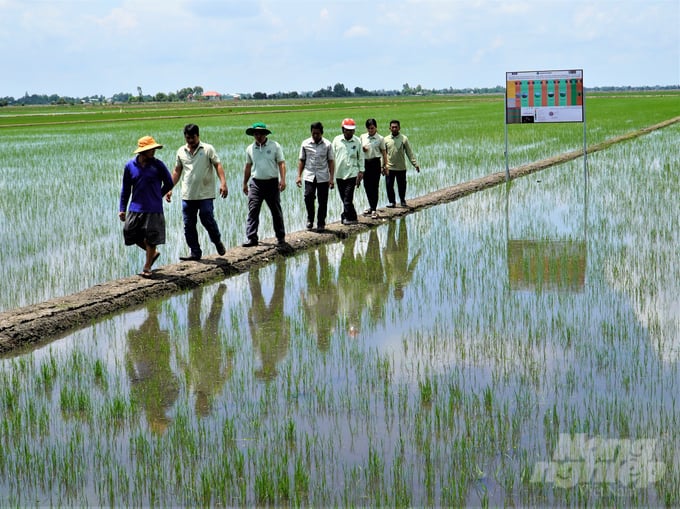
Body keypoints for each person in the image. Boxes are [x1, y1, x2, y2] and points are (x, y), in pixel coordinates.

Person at [170, 124, 228, 261]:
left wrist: (223, 183)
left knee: (207, 217)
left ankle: (217, 241)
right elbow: (177, 171)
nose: (190, 140)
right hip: (188, 195)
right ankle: (195, 252)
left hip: (205, 194)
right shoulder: (181, 151)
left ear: (198, 136)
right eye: (188, 138)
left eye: (193, 137)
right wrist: (169, 187)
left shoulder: (207, 149)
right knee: (188, 224)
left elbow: (217, 165)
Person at [118, 135, 174, 277]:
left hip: (153, 208)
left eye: (154, 149)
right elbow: (125, 189)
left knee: (151, 237)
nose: (154, 151)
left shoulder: (158, 165)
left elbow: (169, 183)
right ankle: (153, 253)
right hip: (135, 207)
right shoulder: (130, 166)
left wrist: (158, 195)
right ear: (142, 151)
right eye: (151, 149)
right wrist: (122, 208)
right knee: (129, 232)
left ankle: (147, 267)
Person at [241, 122, 287, 247]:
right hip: (256, 183)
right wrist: (244, 183)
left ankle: (280, 237)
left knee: (276, 211)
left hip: (272, 182)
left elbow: (281, 163)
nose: (258, 136)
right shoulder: (250, 149)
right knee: (253, 210)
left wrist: (283, 180)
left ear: (265, 134)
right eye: (256, 134)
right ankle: (252, 238)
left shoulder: (274, 146)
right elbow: (248, 166)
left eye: (261, 133)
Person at [296, 122, 335, 231]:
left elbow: (331, 161)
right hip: (309, 175)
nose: (315, 136)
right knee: (308, 197)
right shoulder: (305, 144)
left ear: (321, 133)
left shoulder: (327, 144)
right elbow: (301, 160)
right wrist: (298, 176)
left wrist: (331, 178)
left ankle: (321, 223)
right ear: (311, 133)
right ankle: (310, 219)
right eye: (313, 133)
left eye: (317, 133)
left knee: (322, 201)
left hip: (323, 176)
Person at [332, 118, 364, 225]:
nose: (349, 132)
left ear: (354, 131)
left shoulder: (357, 141)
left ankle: (345, 217)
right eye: (347, 130)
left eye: (351, 130)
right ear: (343, 130)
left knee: (347, 197)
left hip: (352, 173)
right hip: (339, 173)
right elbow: (331, 157)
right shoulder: (337, 140)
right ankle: (353, 215)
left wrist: (361, 171)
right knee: (344, 198)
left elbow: (361, 158)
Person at [384, 119, 420, 208]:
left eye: (396, 127)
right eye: (392, 127)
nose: (394, 129)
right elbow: (383, 154)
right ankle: (392, 202)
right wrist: (382, 166)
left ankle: (402, 200)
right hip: (389, 167)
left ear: (399, 128)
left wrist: (415, 164)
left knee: (402, 185)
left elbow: (409, 152)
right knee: (389, 186)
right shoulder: (385, 139)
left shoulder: (404, 139)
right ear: (389, 128)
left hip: (401, 167)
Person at [359, 118, 388, 218]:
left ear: (376, 127)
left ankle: (374, 209)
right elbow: (359, 150)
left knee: (374, 186)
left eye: (372, 128)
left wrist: (385, 166)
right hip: (365, 163)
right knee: (367, 186)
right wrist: (362, 148)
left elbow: (384, 153)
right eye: (369, 128)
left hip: (375, 163)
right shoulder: (362, 137)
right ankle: (371, 207)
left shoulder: (380, 138)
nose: (370, 130)